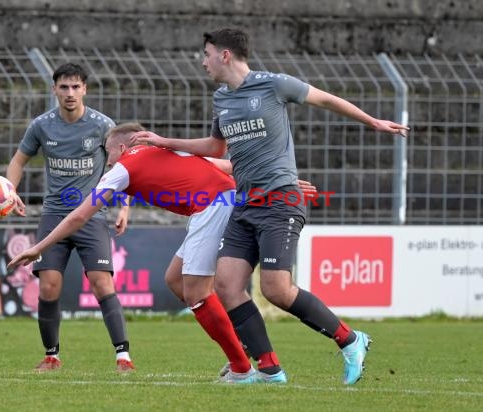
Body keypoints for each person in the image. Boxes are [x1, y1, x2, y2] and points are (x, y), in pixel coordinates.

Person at [131, 27, 410, 385]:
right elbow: (217, 149)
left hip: (280, 200)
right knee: (228, 286)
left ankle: (351, 340)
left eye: (206, 54)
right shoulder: (222, 99)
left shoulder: (274, 84)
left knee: (276, 290)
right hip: (245, 205)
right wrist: (164, 141)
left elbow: (325, 99)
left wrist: (371, 121)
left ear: (225, 55)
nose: (203, 62)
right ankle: (268, 369)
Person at [7, 121, 317, 383]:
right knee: (175, 280)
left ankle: (242, 367)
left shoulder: (124, 166)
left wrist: (37, 248)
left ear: (122, 147)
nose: (107, 158)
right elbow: (232, 165)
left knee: (197, 291)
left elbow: (78, 215)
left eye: (108, 151)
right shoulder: (165, 151)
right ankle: (242, 352)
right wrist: (282, 182)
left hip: (212, 208)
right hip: (225, 202)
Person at [6, 63, 134, 373]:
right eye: (64, 87)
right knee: (49, 286)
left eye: (76, 87)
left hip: (91, 216)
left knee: (102, 283)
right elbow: (18, 161)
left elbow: (128, 165)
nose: (70, 93)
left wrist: (125, 206)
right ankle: (52, 356)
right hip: (54, 215)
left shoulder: (103, 125)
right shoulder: (41, 126)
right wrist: (10, 191)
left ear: (85, 89)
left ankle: (123, 357)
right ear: (54, 90)